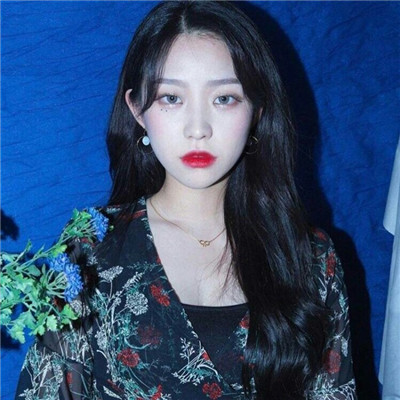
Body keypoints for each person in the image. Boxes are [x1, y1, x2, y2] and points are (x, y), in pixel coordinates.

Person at [15, 1, 356, 399]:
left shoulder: (311, 258)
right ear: (137, 109)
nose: (198, 128)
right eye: (171, 98)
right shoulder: (90, 253)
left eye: (224, 98)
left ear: (256, 111)